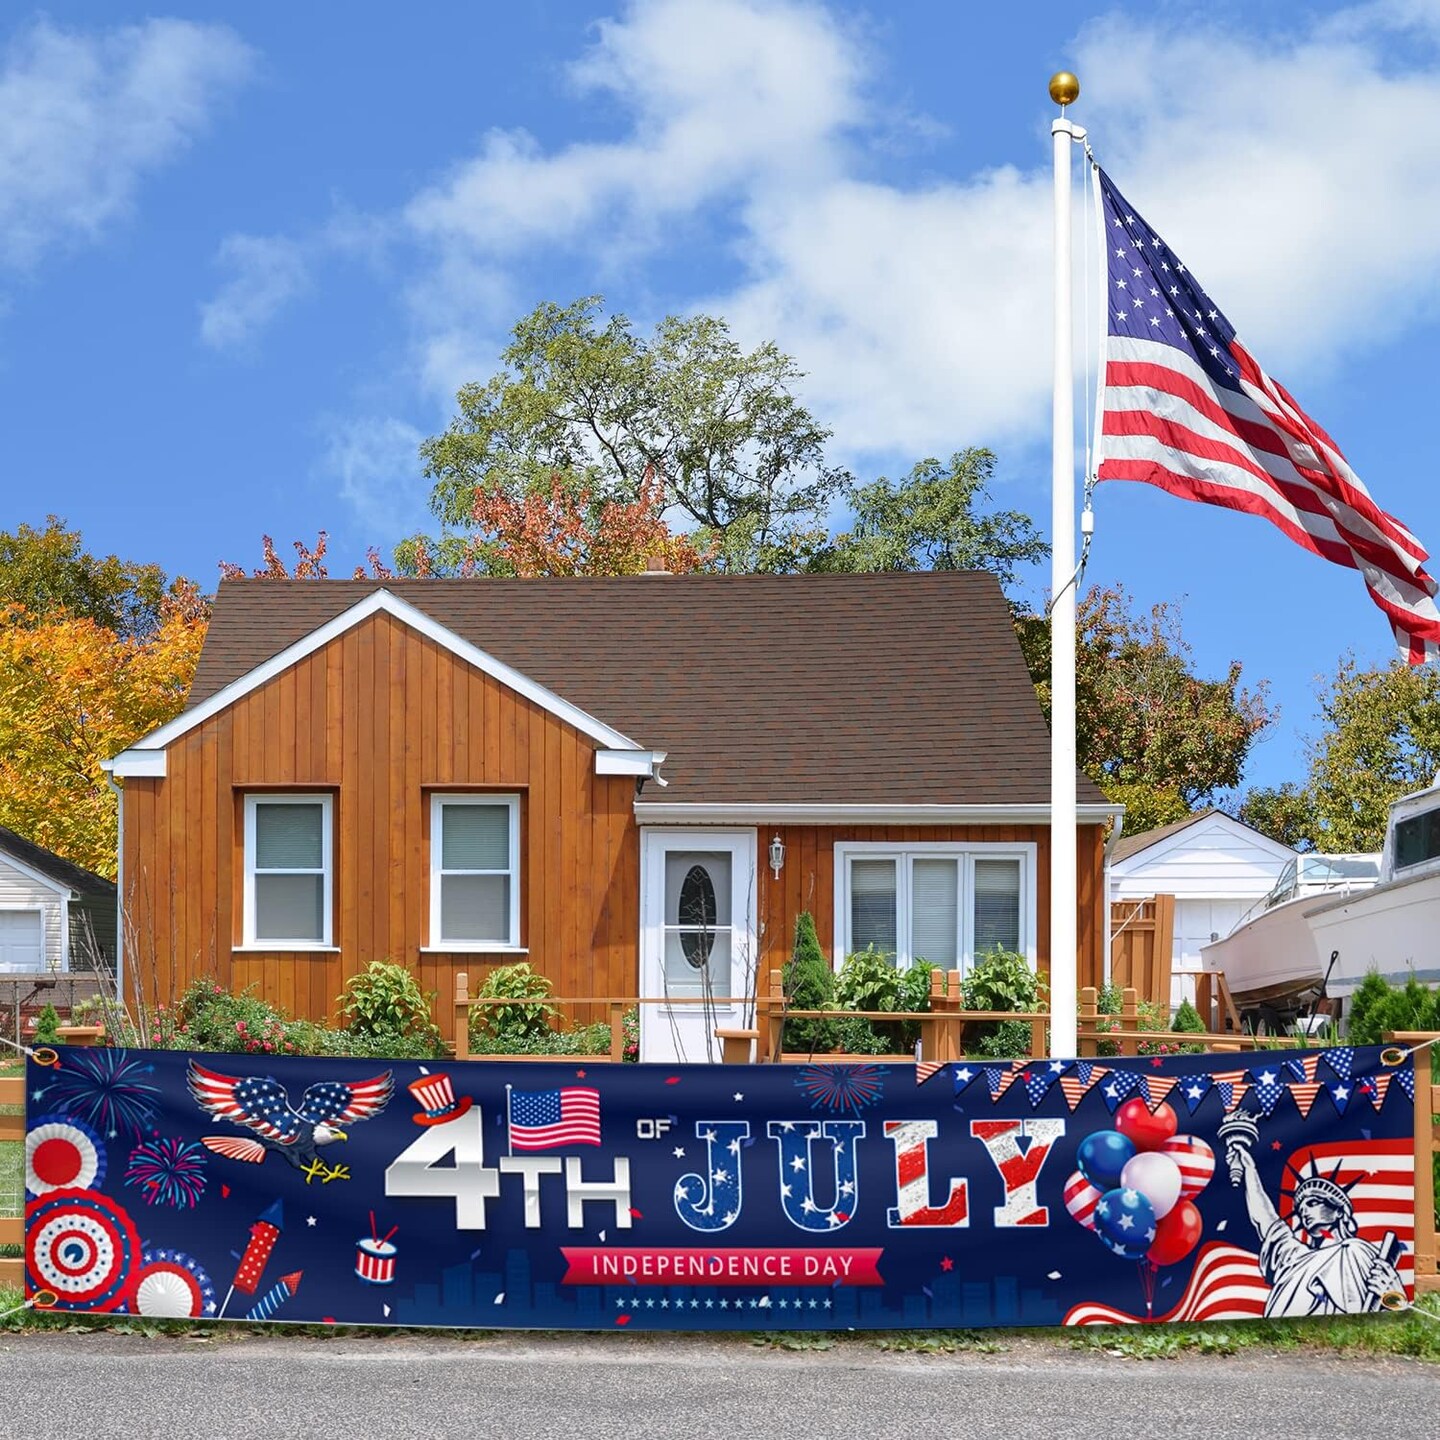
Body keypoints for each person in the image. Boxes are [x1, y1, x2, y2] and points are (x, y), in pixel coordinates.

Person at [1224, 1138, 1403, 1317]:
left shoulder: (1357, 1251)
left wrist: (1396, 1295)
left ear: (1338, 1211)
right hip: (1285, 1340)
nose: (1304, 1212)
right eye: (1300, 1209)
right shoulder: (1295, 1256)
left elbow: (1388, 1306)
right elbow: (1265, 1219)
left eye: (1313, 1203)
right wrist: (1249, 1169)